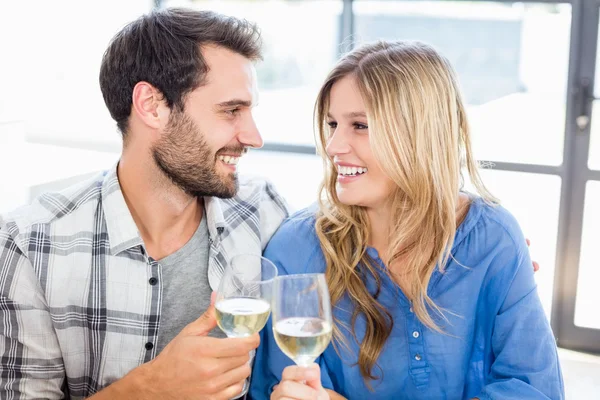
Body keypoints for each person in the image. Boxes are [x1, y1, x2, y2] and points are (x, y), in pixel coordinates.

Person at [0, 8, 289, 400]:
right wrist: (151, 387)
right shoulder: (31, 245)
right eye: (231, 110)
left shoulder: (262, 210)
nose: (253, 136)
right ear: (152, 106)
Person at [250, 40, 564, 399]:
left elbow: (534, 388)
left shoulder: (494, 238)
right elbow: (286, 389)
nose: (334, 145)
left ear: (419, 136)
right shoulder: (296, 248)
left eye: (360, 126)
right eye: (333, 123)